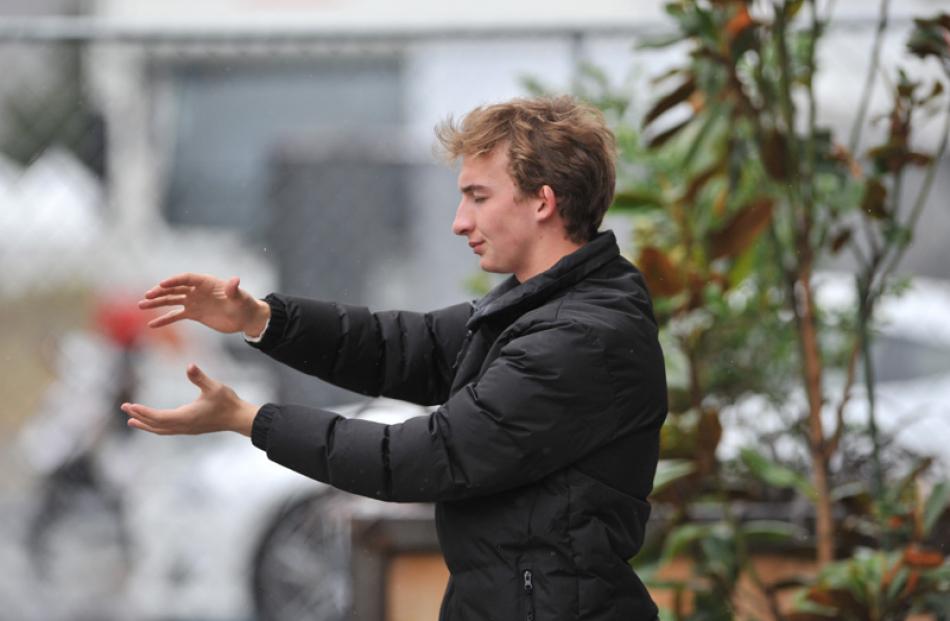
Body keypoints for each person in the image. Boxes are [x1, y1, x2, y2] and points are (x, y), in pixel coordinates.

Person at [122, 95, 668, 620]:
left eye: (478, 197)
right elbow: (408, 347)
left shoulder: (577, 338)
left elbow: (425, 459)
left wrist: (249, 420)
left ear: (543, 202)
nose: (459, 221)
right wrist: (260, 319)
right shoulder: (540, 306)